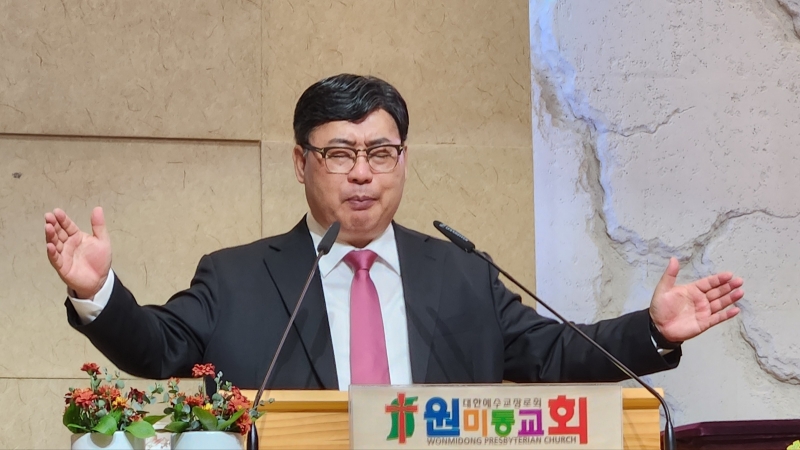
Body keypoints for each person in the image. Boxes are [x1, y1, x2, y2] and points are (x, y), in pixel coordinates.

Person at [44, 74, 744, 390]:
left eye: (380, 152)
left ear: (402, 161)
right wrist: (98, 291)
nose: (362, 173)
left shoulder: (462, 273)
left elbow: (557, 354)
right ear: (301, 163)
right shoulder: (236, 278)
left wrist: (652, 330)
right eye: (339, 154)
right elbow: (159, 348)